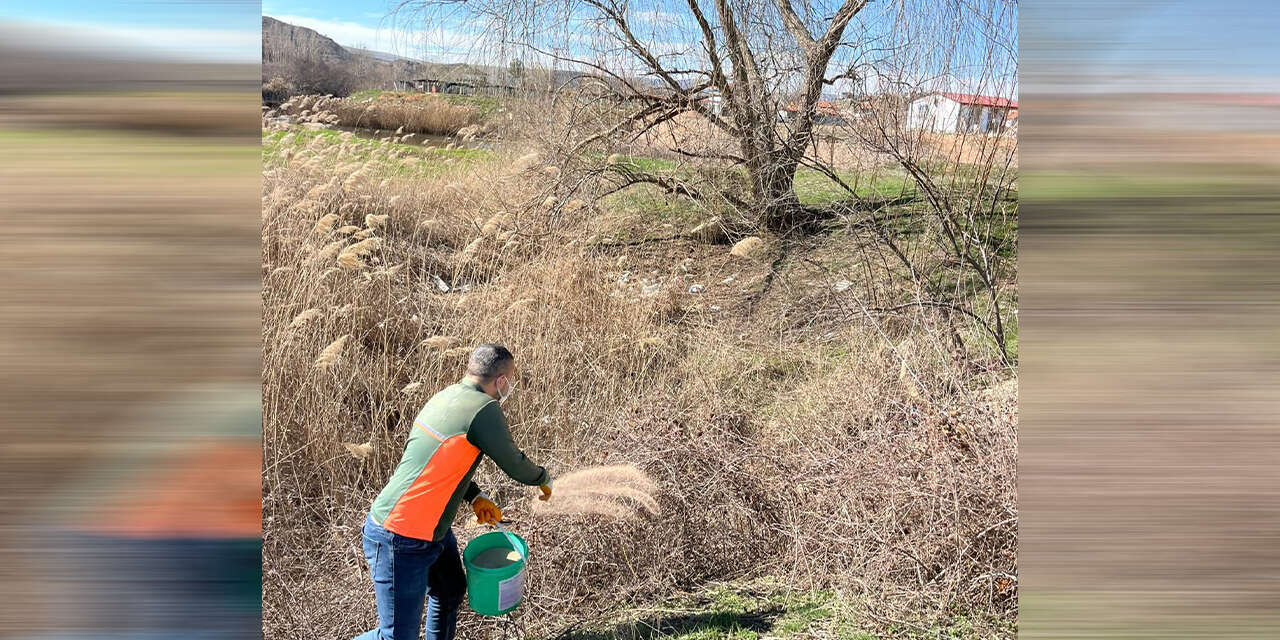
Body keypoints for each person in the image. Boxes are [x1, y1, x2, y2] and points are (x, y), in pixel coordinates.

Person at [353, 343, 553, 640]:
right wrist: (543, 478)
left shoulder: (445, 397)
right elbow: (513, 462)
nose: (510, 386)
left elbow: (435, 463)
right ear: (501, 380)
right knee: (395, 637)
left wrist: (474, 497)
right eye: (511, 378)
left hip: (430, 528)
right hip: (401, 535)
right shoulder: (485, 409)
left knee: (449, 591)